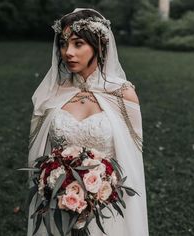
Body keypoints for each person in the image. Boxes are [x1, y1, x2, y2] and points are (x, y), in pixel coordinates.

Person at [27, 8, 149, 236]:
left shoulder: (123, 94)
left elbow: (132, 163)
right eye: (63, 44)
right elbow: (39, 156)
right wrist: (53, 186)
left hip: (108, 208)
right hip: (59, 205)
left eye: (78, 43)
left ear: (99, 46)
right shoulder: (51, 95)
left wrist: (100, 192)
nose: (68, 52)